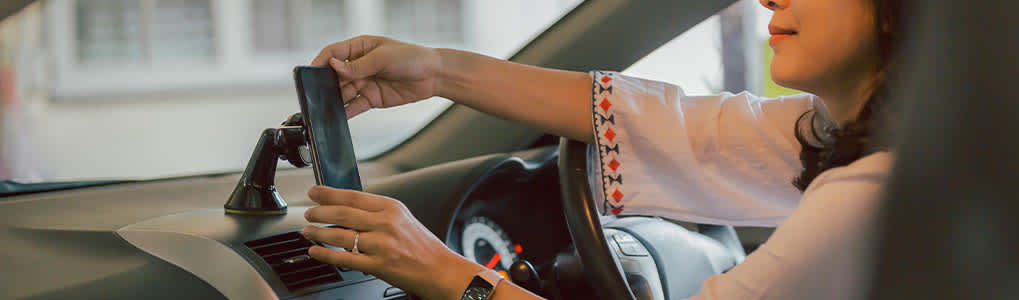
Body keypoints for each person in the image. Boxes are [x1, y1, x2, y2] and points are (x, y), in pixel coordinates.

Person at [298, 0, 904, 299]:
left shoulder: (875, 194)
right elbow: (679, 127)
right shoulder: (869, 142)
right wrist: (435, 71)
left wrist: (444, 273)